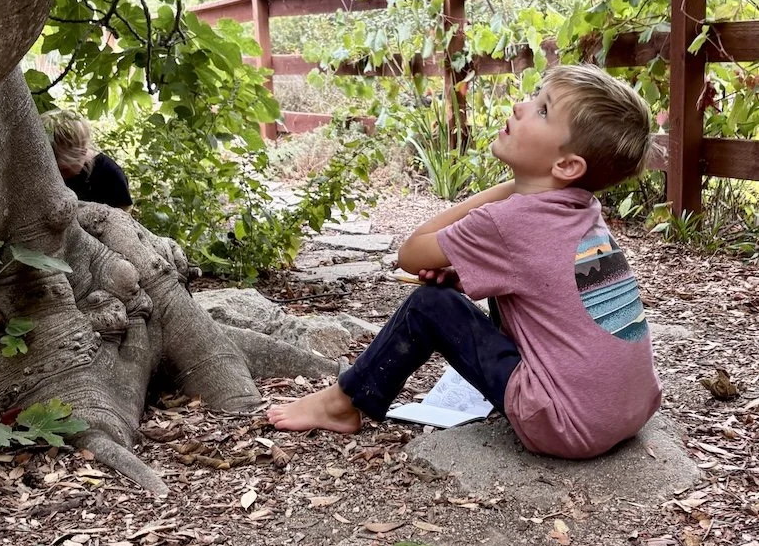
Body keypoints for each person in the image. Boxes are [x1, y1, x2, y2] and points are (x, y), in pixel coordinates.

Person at [268, 64, 662, 460]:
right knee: (456, 292)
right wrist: (477, 262)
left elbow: (410, 253)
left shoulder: (510, 221)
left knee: (430, 304)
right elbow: (546, 283)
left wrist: (512, 188)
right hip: (631, 409)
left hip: (564, 425)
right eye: (535, 95)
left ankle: (342, 403)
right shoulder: (584, 209)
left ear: (566, 166)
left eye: (542, 109)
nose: (520, 105)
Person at [40, 109, 132, 209]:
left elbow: (123, 213)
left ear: (83, 152)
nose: (58, 176)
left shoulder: (111, 175)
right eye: (50, 169)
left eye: (64, 170)